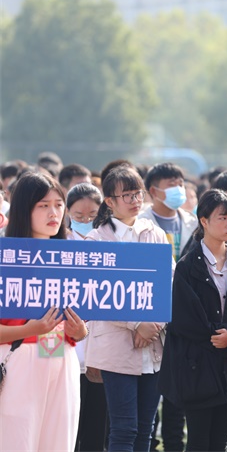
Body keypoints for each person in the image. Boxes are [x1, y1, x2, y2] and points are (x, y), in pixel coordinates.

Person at [0, 171, 89, 451]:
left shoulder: (74, 259)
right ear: (24, 209)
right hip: (19, 359)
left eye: (59, 205)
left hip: (62, 357)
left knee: (59, 442)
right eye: (43, 205)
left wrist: (80, 331)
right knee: (17, 440)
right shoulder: (6, 258)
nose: (54, 213)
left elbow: (81, 322)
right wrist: (31, 329)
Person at [84, 166, 169, 451]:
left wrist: (153, 324)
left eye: (138, 194)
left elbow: (167, 284)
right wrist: (137, 324)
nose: (135, 200)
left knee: (146, 428)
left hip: (153, 344)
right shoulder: (96, 240)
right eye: (127, 195)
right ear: (110, 201)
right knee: (123, 428)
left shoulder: (154, 234)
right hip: (115, 344)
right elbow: (98, 295)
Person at [159, 189, 227, 451]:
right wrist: (215, 336)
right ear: (204, 221)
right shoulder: (188, 265)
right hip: (197, 366)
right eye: (222, 218)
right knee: (198, 439)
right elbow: (183, 317)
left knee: (222, 438)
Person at [64, 182, 109, 450]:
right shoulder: (57, 244)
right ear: (68, 212)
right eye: (78, 216)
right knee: (69, 425)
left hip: (101, 346)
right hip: (63, 346)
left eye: (91, 216)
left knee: (97, 425)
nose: (85, 221)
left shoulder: (107, 242)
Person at [140, 162, 198, 262]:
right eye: (172, 185)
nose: (178, 189)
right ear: (153, 191)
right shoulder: (139, 223)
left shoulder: (194, 222)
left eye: (180, 185)